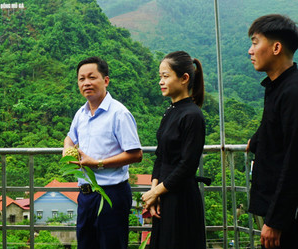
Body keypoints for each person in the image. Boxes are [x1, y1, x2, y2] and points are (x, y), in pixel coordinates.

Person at [246, 14, 298, 249]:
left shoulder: (297, 94)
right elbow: (277, 129)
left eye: (255, 42)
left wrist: (275, 221)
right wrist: (256, 141)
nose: (250, 51)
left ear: (276, 47)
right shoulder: (279, 87)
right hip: (286, 215)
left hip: (295, 218)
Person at [64, 56, 143, 249]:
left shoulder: (119, 114)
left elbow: (136, 154)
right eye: (81, 79)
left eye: (92, 77)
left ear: (105, 80)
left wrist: (97, 163)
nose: (86, 83)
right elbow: (70, 137)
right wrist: (67, 149)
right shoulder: (81, 113)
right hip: (85, 196)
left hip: (112, 195)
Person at [141, 51, 206, 249]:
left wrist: (157, 191)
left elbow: (188, 165)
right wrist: (154, 193)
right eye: (160, 76)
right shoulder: (170, 111)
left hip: (181, 198)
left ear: (184, 78)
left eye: (166, 76)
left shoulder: (193, 115)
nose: (161, 81)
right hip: (164, 196)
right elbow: (160, 156)